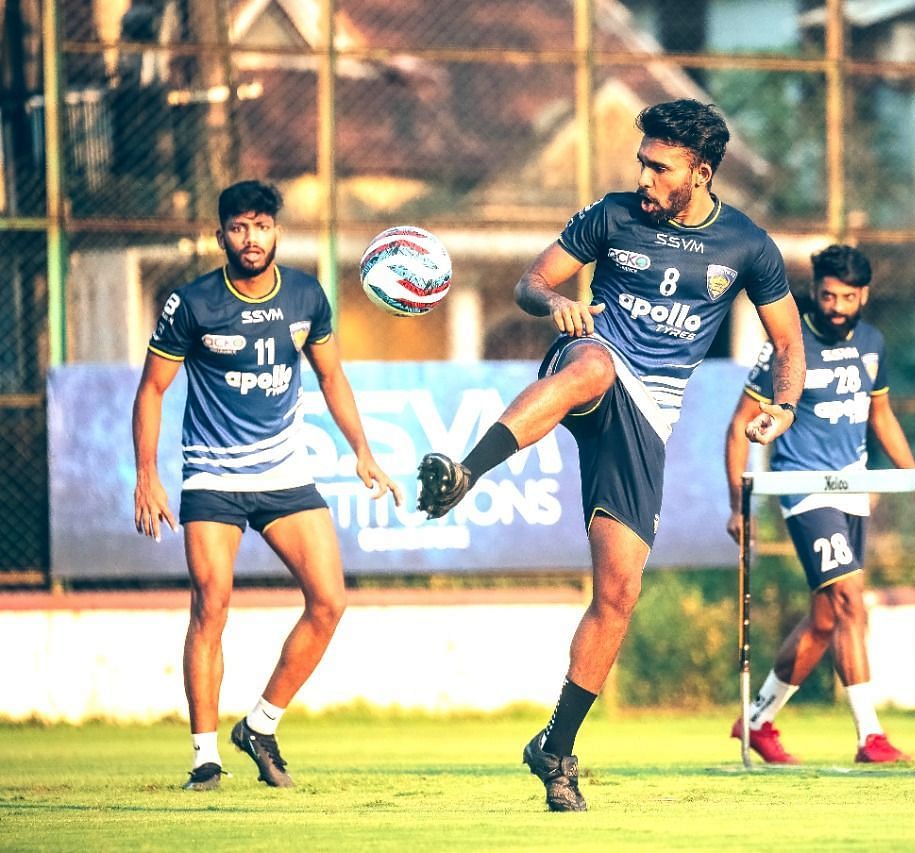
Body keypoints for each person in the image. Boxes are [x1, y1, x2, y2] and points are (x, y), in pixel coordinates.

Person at [416, 99, 805, 811]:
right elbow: (530, 282)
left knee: (620, 593)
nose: (646, 177)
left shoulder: (748, 245)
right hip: (591, 358)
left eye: (661, 167)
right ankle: (464, 471)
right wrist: (555, 304)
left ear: (702, 173)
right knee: (592, 367)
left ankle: (555, 748)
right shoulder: (611, 216)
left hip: (650, 416)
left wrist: (782, 405)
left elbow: (788, 343)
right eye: (643, 162)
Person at [132, 180, 402, 791]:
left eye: (261, 226)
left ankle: (260, 725)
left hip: (285, 474)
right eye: (238, 228)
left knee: (330, 601)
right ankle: (205, 755)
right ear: (220, 234)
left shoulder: (307, 295)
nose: (250, 239)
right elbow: (151, 390)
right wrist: (148, 477)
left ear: (277, 230)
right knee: (211, 603)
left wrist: (362, 450)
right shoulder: (193, 304)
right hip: (213, 477)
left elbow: (331, 378)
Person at [725, 244, 915, 765]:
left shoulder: (872, 342)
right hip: (802, 487)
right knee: (851, 601)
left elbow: (881, 417)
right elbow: (738, 426)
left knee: (826, 621)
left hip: (854, 487)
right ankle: (871, 736)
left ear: (864, 295)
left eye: (848, 296)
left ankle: (756, 720)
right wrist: (740, 504)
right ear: (814, 290)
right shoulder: (788, 345)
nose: (837, 305)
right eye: (828, 294)